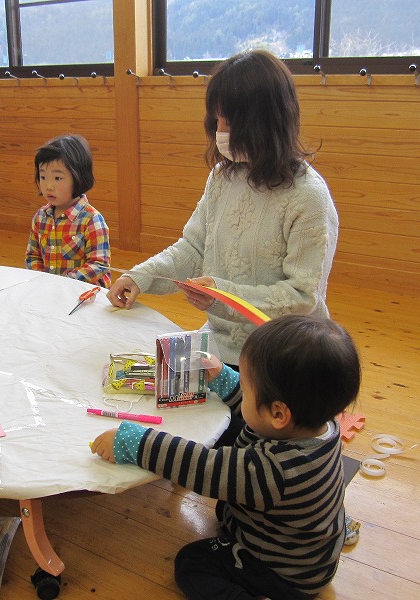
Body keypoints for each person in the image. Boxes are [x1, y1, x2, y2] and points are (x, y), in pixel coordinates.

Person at [91, 314, 361, 599]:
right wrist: (223, 376)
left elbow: (204, 468)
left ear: (278, 413)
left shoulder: (273, 471)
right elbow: (258, 417)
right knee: (236, 448)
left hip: (282, 572)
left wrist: (137, 443)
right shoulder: (322, 428)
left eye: (246, 386)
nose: (242, 390)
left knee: (192, 564)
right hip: (309, 550)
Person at [107, 49, 338, 366]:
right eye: (217, 120)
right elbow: (193, 247)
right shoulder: (222, 178)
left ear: (264, 122)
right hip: (220, 342)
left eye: (229, 121)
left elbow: (302, 297)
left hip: (282, 356)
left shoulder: (308, 196)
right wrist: (140, 277)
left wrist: (221, 294)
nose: (221, 131)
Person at [25, 134, 111, 286]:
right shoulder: (40, 217)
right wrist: (41, 281)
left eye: (57, 178)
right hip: (50, 289)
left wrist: (64, 282)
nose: (48, 186)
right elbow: (33, 256)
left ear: (79, 177)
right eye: (43, 177)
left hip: (83, 292)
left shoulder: (91, 219)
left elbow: (99, 265)